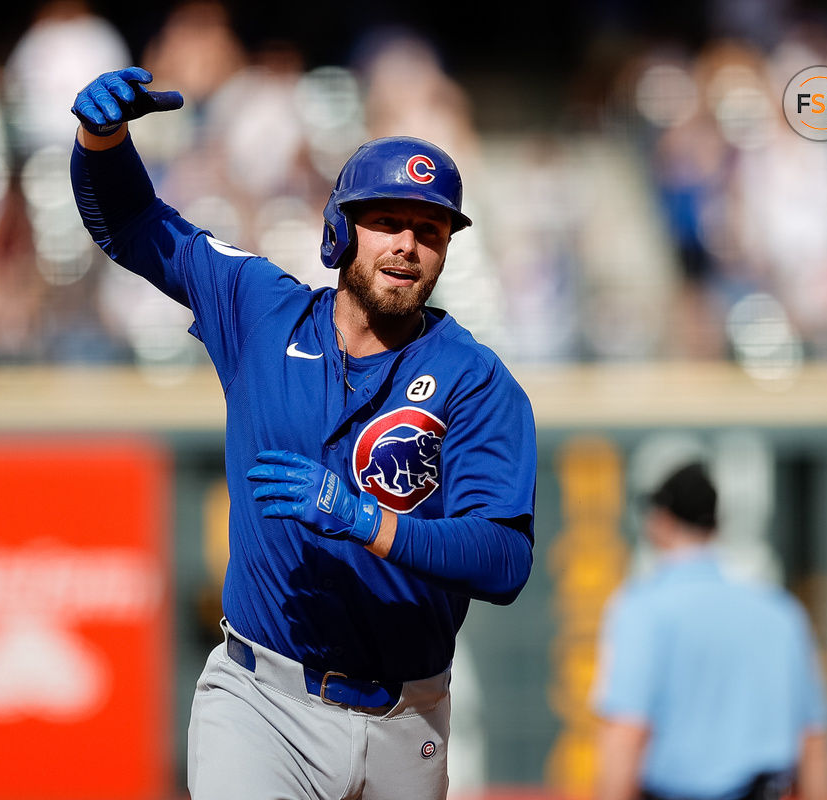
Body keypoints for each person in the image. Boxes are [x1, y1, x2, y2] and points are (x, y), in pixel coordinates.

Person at [69, 68, 536, 800]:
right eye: (387, 221)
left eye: (430, 230)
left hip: (406, 716)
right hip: (262, 698)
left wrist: (365, 521)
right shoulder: (261, 312)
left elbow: (504, 560)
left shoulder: (474, 380)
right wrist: (102, 141)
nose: (408, 244)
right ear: (338, 229)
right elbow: (133, 226)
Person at [591, 461, 827, 800]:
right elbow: (813, 743)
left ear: (660, 521)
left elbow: (626, 734)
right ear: (716, 524)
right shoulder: (780, 614)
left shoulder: (642, 610)